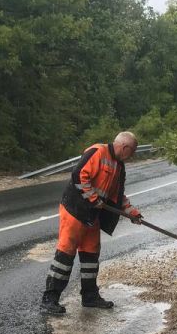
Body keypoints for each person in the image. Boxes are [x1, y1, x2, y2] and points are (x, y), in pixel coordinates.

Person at [40, 132, 143, 315]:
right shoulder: (97, 152)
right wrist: (93, 199)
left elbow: (117, 196)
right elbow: (79, 176)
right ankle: (49, 300)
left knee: (91, 256)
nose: (132, 156)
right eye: (132, 152)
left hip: (92, 215)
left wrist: (132, 213)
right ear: (125, 147)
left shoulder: (119, 166)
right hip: (75, 210)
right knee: (65, 254)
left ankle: (90, 296)